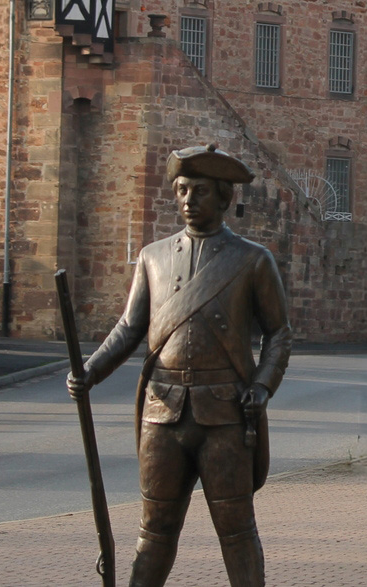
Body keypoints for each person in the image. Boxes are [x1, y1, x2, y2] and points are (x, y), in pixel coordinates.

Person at [67, 144, 292, 587]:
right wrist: (90, 371)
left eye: (200, 191)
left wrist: (263, 387)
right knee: (154, 532)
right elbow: (130, 327)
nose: (189, 200)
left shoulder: (252, 260)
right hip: (161, 412)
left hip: (225, 413)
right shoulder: (152, 257)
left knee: (237, 533)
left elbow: (279, 334)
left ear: (224, 198)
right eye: (182, 190)